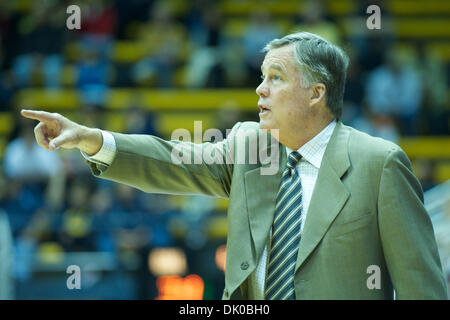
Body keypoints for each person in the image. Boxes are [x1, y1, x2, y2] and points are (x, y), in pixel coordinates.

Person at [21, 32, 448, 300]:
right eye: (261, 76)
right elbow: (173, 160)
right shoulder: (250, 145)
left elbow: (420, 285)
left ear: (316, 93)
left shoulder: (380, 163)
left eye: (276, 78)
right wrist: (91, 138)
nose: (260, 89)